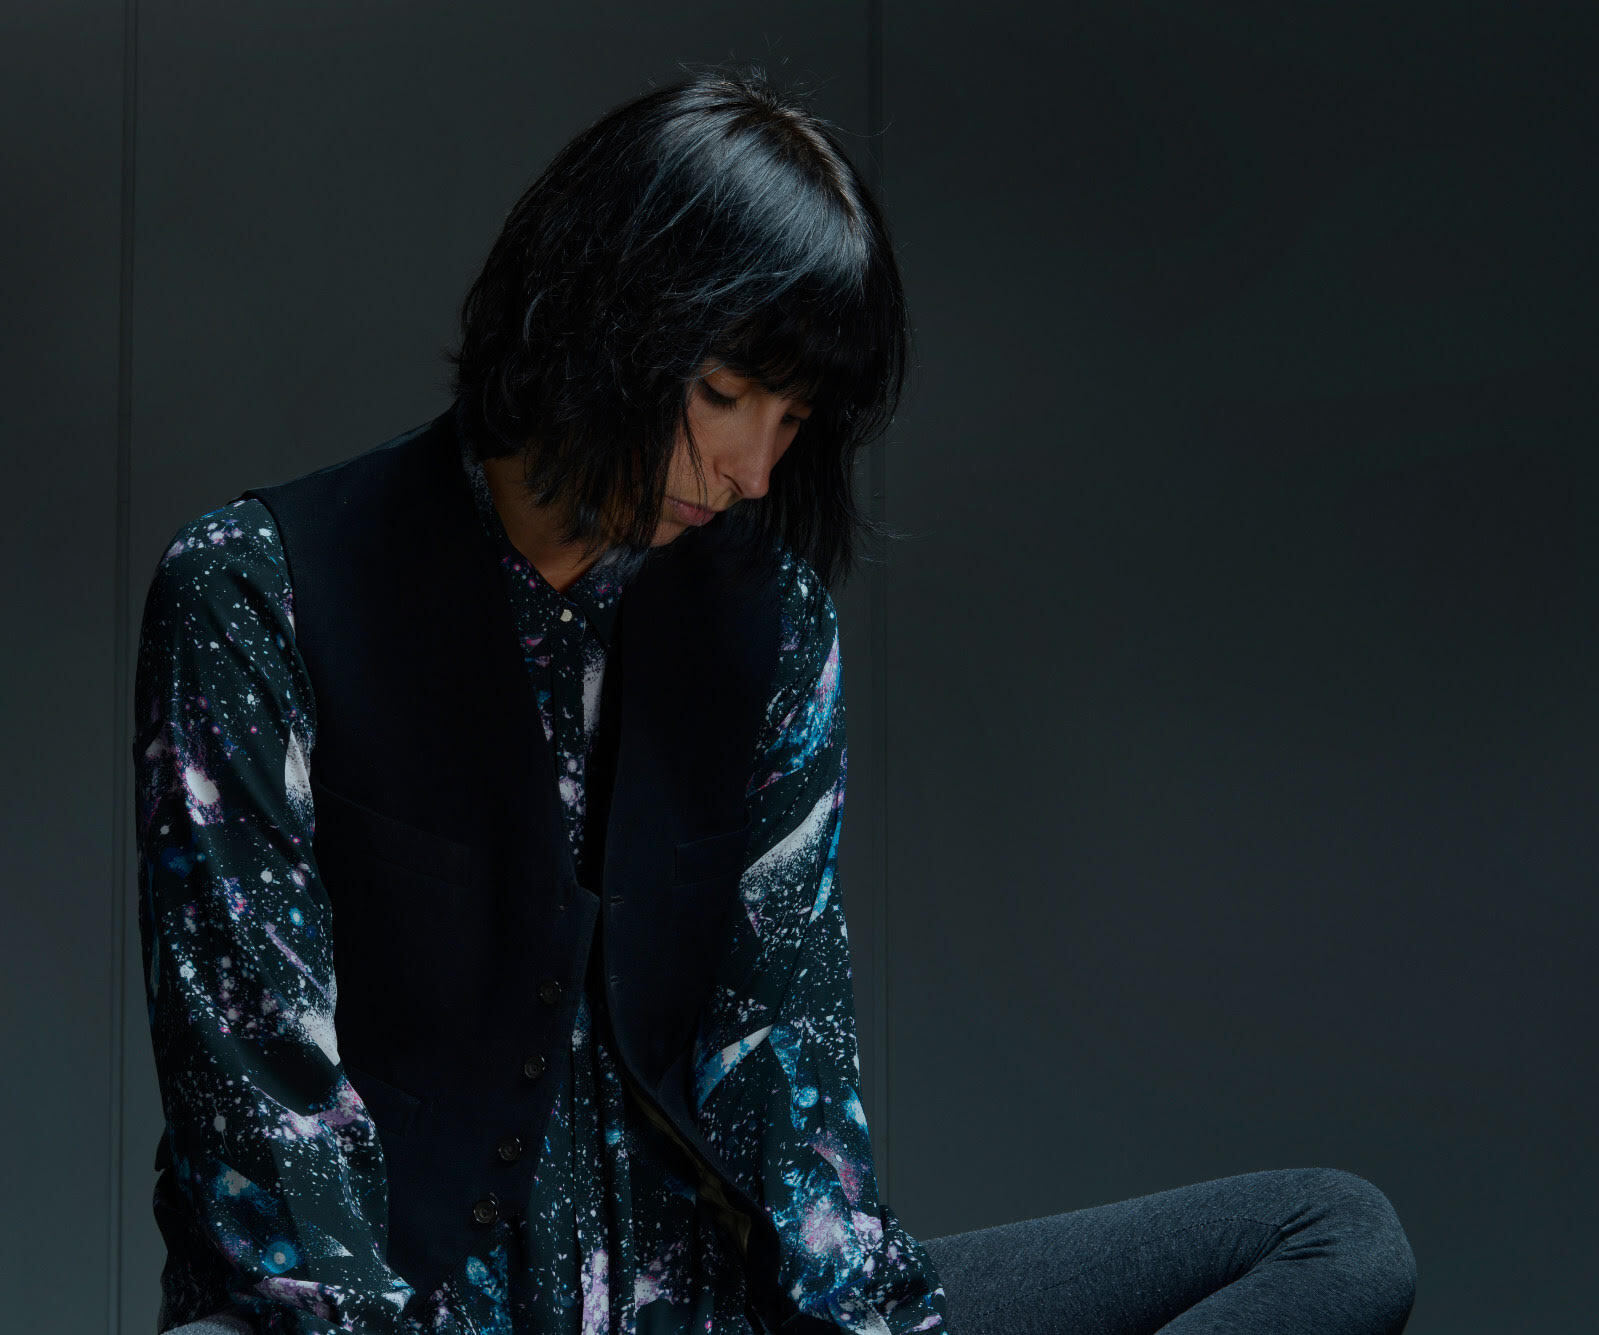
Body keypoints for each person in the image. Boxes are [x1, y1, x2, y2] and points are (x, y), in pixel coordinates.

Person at [132, 67, 1418, 1335]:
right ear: (594, 326)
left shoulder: (769, 621)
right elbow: (259, 1102)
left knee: (1331, 1237)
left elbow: (780, 1049)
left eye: (792, 418)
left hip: (707, 1309)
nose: (751, 469)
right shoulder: (258, 594)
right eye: (722, 394)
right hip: (392, 1311)